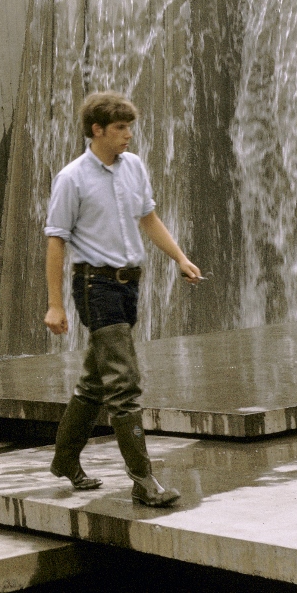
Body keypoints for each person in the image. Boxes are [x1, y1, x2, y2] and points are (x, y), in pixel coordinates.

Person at [43, 92, 202, 506]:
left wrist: (180, 258)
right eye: (120, 128)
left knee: (96, 382)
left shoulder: (133, 167)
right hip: (95, 286)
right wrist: (55, 304)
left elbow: (147, 218)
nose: (128, 135)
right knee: (123, 383)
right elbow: (56, 242)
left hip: (130, 283)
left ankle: (64, 461)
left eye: (130, 127)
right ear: (97, 130)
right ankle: (143, 480)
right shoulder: (72, 178)